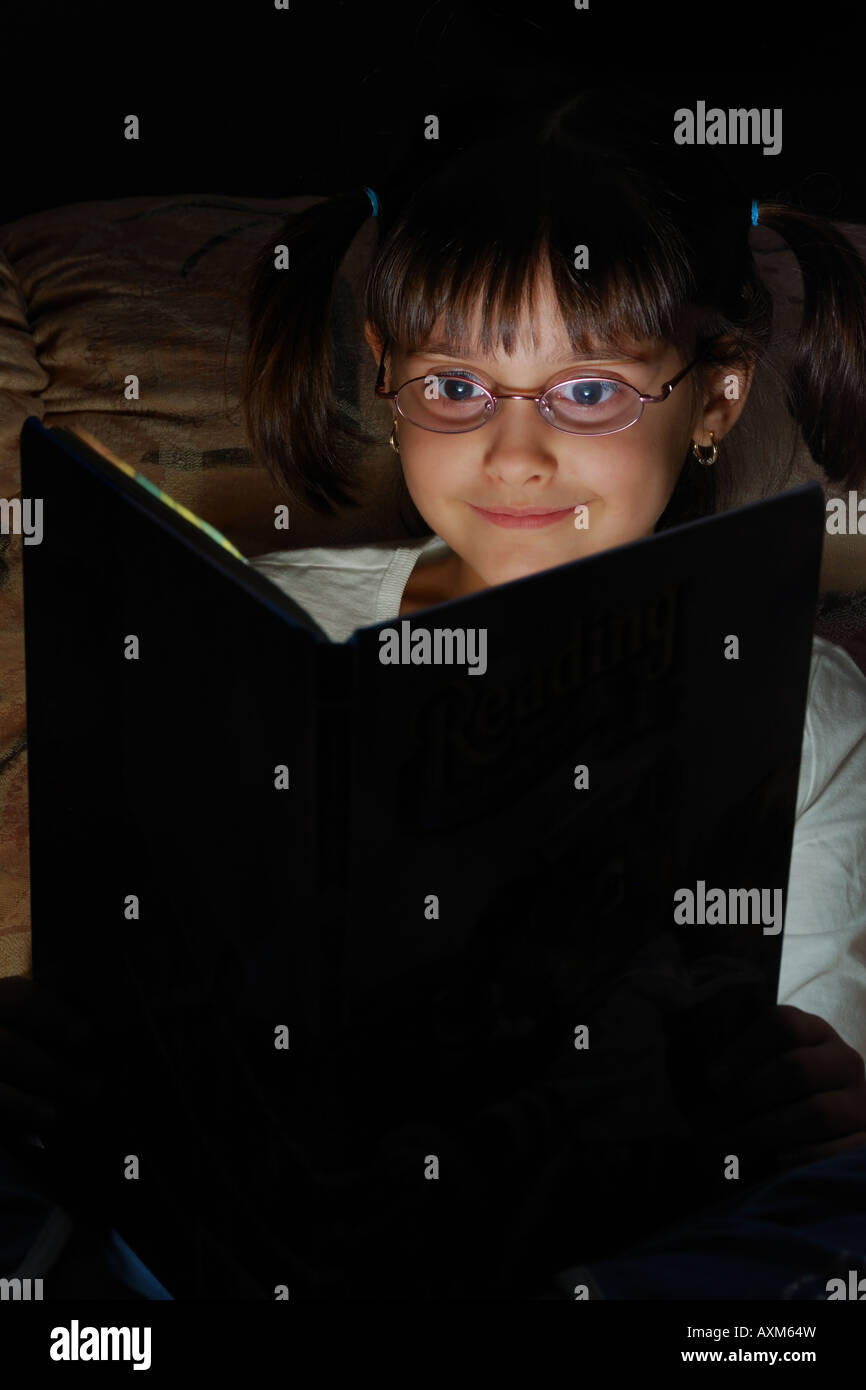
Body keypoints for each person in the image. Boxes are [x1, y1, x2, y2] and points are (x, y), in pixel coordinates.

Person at [2, 85, 866, 1298]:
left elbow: (794, 1095)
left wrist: (820, 1095)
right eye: (456, 388)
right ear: (385, 376)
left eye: (588, 390)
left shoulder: (800, 705)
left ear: (714, 397)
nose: (512, 456)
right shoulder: (266, 623)